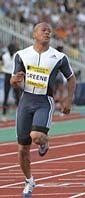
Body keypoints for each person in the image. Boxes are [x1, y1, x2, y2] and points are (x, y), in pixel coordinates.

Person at [10, 22, 76, 197]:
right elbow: (13, 80)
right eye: (43, 30)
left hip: (44, 101)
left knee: (36, 136)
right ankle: (29, 180)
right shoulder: (21, 55)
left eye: (49, 31)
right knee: (22, 148)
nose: (47, 33)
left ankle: (44, 141)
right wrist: (15, 81)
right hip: (26, 101)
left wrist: (68, 101)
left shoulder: (59, 57)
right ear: (34, 34)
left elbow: (71, 79)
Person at [1, 43, 21, 121]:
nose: (12, 50)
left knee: (17, 95)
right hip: (8, 75)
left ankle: (19, 112)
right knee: (6, 95)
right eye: (12, 49)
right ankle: (4, 113)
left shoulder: (16, 55)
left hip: (14, 75)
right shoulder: (4, 56)